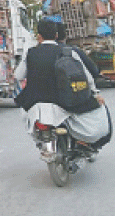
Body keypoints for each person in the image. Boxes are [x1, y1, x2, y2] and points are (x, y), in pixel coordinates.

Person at [15, 18, 110, 151]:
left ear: (39, 36)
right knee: (98, 109)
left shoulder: (30, 53)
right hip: (64, 102)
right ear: (56, 35)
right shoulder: (68, 52)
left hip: (35, 102)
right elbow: (86, 76)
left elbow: (18, 76)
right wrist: (95, 93)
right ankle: (86, 143)